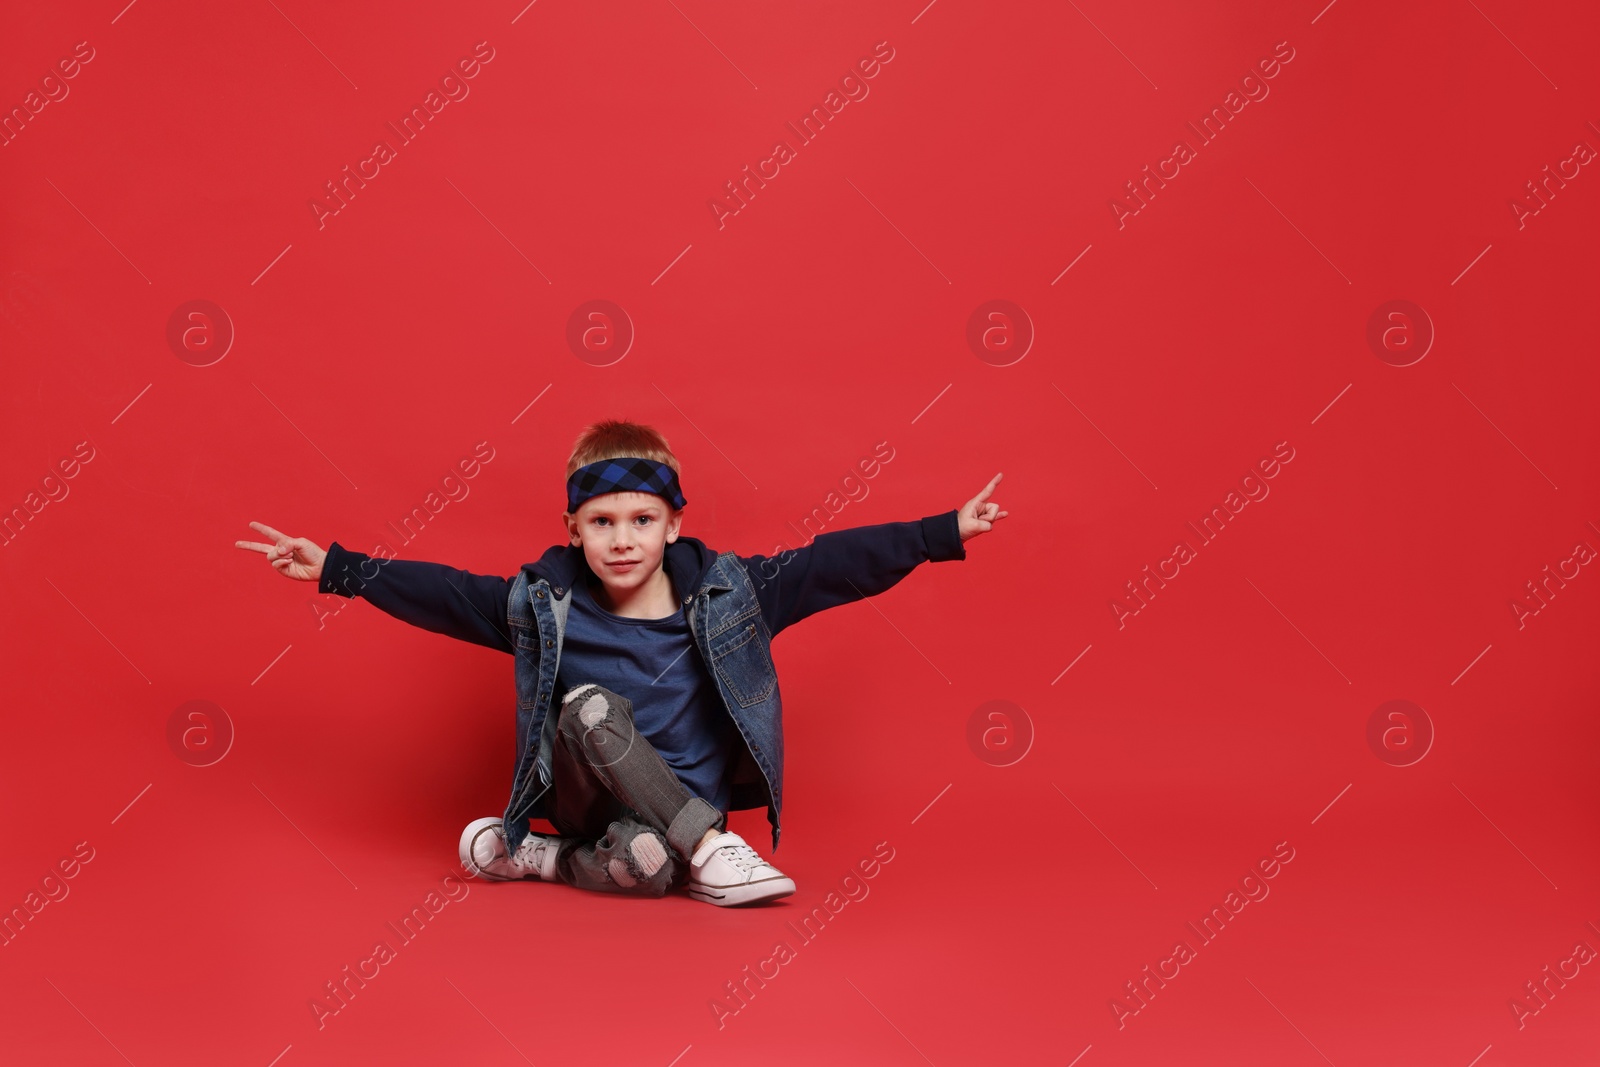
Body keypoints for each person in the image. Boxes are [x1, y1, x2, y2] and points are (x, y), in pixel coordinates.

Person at [235, 419, 1006, 906]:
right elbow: (445, 593)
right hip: (591, 791)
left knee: (645, 869)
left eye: (643, 519)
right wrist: (339, 568)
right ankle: (710, 849)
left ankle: (539, 858)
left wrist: (943, 532)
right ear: (573, 529)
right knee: (591, 706)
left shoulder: (730, 594)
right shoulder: (544, 604)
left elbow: (831, 563)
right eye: (602, 522)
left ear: (675, 525)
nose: (623, 538)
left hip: (654, 822)